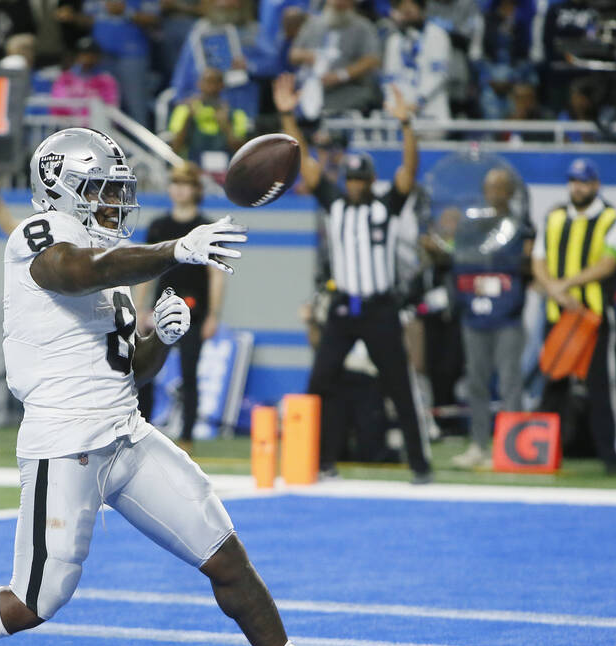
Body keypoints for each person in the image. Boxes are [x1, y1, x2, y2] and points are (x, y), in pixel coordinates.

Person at [0, 126, 363, 646]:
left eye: (118, 189)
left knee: (226, 555)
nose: (114, 202)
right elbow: (71, 272)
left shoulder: (109, 256)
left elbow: (131, 366)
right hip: (64, 442)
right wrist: (176, 249)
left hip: (126, 432)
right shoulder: (37, 240)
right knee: (34, 600)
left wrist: (161, 341)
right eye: (99, 188)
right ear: (59, 190)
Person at [274, 73, 433, 483]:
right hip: (345, 306)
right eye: (352, 178)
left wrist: (405, 125)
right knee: (319, 382)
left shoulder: (385, 207)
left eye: (362, 178)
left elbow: (409, 173)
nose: (357, 184)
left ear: (370, 180)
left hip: (379, 306)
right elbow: (306, 167)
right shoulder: (336, 204)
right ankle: (317, 461)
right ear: (347, 179)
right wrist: (288, 118)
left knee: (399, 385)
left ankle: (420, 465)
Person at [531, 158, 616, 476]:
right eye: (573, 181)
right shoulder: (554, 217)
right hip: (557, 315)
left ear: (596, 184)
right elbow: (538, 260)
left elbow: (608, 263)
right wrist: (554, 291)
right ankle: (540, 452)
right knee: (553, 383)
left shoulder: (613, 219)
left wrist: (568, 285)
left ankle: (611, 458)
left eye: (584, 181)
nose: (578, 187)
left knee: (600, 388)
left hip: (593, 319)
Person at [446, 167, 534, 468]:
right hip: (475, 316)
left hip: (508, 317)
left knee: (510, 382)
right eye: (490, 187)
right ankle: (479, 446)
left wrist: (501, 279)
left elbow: (526, 269)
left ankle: (511, 449)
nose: (494, 193)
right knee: (476, 384)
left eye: (500, 187)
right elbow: (460, 266)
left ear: (510, 192)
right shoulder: (471, 227)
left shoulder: (521, 227)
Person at [133, 161, 225, 450]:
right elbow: (145, 271)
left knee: (189, 373)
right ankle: (142, 428)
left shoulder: (205, 227)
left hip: (195, 314)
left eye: (185, 183)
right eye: (174, 183)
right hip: (162, 311)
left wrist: (213, 315)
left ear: (196, 189)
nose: (179, 189)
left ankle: (186, 436)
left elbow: (217, 274)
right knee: (145, 369)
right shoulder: (159, 226)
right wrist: (138, 309)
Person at [288, 0, 380, 120]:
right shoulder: (313, 24)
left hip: (349, 89)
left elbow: (372, 60)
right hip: (313, 87)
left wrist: (341, 75)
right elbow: (293, 54)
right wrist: (309, 56)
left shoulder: (362, 26)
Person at [167, 66, 250, 170]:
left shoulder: (236, 114)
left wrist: (226, 126)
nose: (210, 87)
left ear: (222, 85)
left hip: (225, 171)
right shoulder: (184, 110)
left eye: (214, 82)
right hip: (194, 171)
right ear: (199, 84)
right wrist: (188, 119)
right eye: (206, 82)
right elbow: (175, 148)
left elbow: (243, 152)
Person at [382, 0, 451, 123]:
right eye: (402, 10)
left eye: (410, 10)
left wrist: (418, 101)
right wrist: (395, 103)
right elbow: (389, 78)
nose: (406, 14)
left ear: (421, 9)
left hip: (431, 110)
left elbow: (439, 75)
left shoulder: (436, 34)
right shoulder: (394, 40)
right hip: (400, 110)